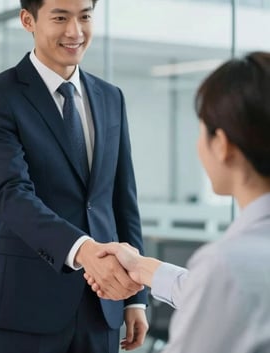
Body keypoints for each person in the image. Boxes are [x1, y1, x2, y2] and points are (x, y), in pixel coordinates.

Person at [0, 0, 148, 352]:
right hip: (27, 305)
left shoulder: (111, 97)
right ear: (27, 20)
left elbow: (122, 200)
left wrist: (135, 297)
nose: (75, 31)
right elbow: (11, 195)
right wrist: (84, 250)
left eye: (85, 17)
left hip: (103, 306)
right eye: (60, 18)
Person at [86, 51, 270, 352]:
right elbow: (215, 297)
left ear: (222, 145)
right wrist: (141, 267)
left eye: (201, 131)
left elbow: (220, 291)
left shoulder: (226, 266)